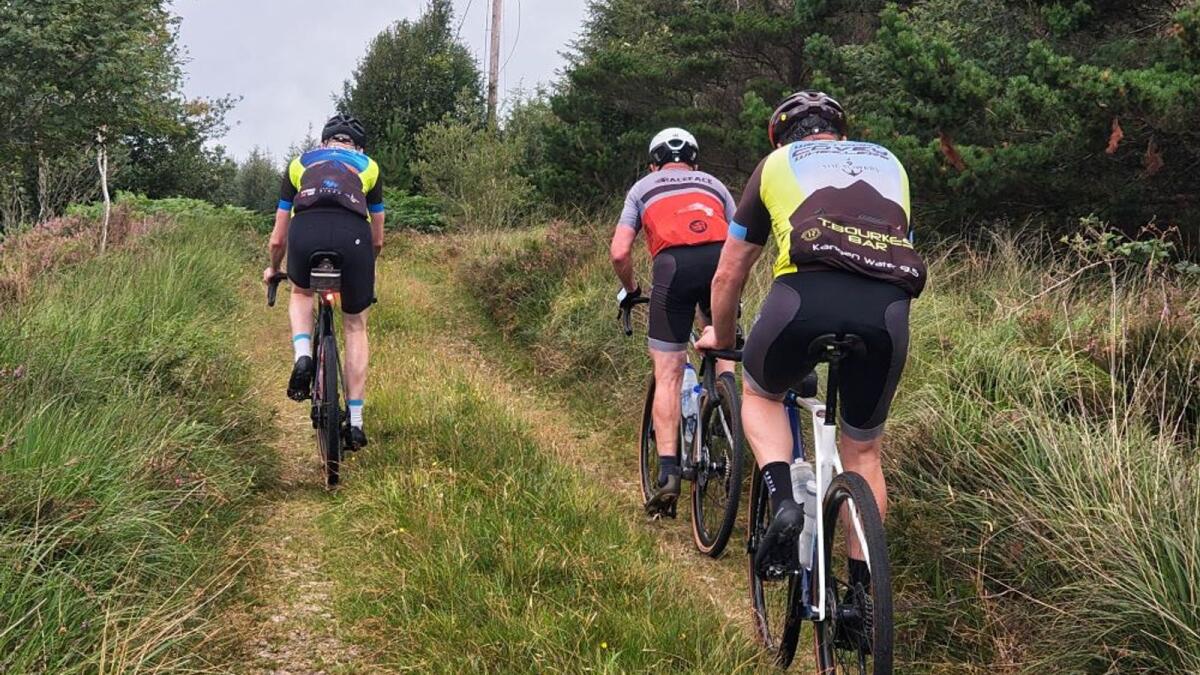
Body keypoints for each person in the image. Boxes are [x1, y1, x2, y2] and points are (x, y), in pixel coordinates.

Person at [696, 91, 926, 590]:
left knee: (760, 394)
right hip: (886, 310)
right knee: (864, 455)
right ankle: (863, 599)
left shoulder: (778, 162)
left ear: (781, 136)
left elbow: (729, 273)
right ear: (841, 134)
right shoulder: (890, 161)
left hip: (803, 298)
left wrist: (724, 335)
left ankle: (783, 502)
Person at [611, 127, 738, 515]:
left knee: (667, 371)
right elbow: (740, 239)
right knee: (723, 344)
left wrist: (632, 290)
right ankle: (727, 422)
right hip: (719, 263)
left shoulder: (643, 187)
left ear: (654, 163)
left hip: (673, 267)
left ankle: (668, 475)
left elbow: (619, 253)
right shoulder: (714, 184)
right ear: (694, 161)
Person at [262, 114, 385, 449]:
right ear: (358, 147)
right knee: (356, 326)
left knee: (301, 293)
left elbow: (277, 239)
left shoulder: (298, 164)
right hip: (354, 238)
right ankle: (356, 423)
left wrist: (274, 269)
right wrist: (364, 271)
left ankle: (303, 355)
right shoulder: (369, 167)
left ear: (323, 142)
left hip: (307, 233)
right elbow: (377, 239)